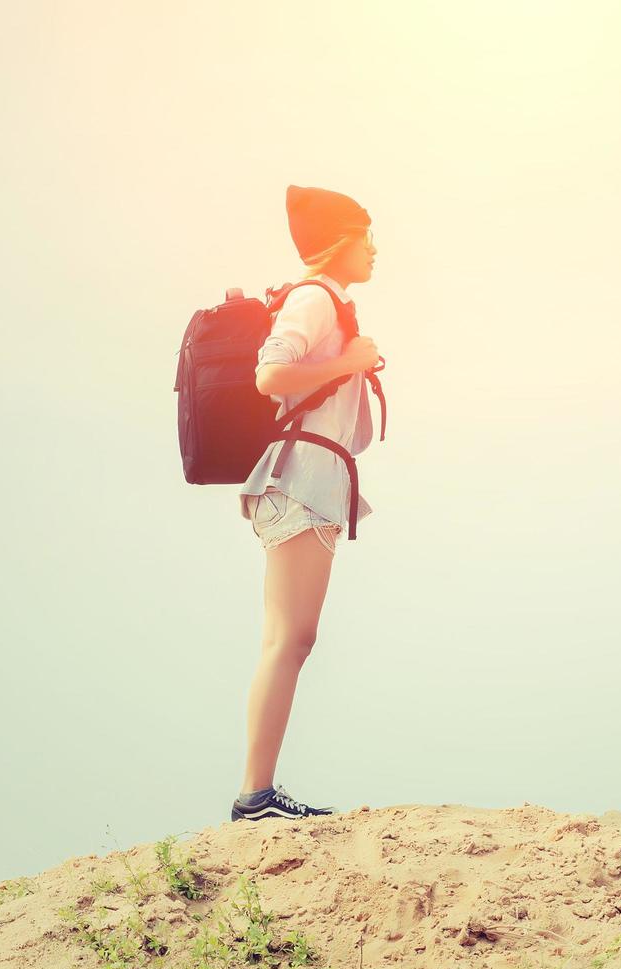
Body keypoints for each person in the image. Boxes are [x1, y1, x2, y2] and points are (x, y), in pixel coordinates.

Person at [229, 185, 382, 822]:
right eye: (366, 236)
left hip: (311, 478)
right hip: (299, 479)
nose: (375, 250)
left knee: (292, 637)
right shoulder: (316, 299)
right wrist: (346, 362)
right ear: (340, 242)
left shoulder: (330, 304)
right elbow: (270, 374)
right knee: (289, 638)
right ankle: (255, 797)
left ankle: (257, 794)